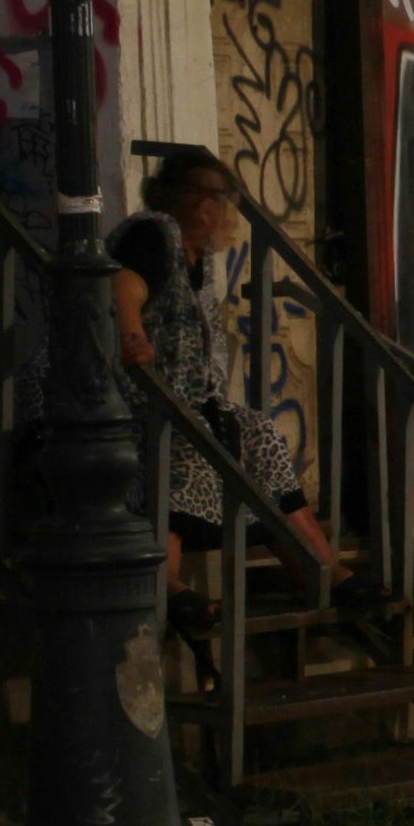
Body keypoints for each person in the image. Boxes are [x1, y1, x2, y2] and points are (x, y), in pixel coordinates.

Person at [110, 147, 335, 581]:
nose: (233, 220)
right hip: (130, 400)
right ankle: (168, 586)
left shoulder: (198, 257)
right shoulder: (156, 234)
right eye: (229, 207)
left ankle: (323, 570)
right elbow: (124, 284)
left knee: (260, 435)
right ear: (203, 206)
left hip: (182, 404)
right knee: (180, 445)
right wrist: (131, 336)